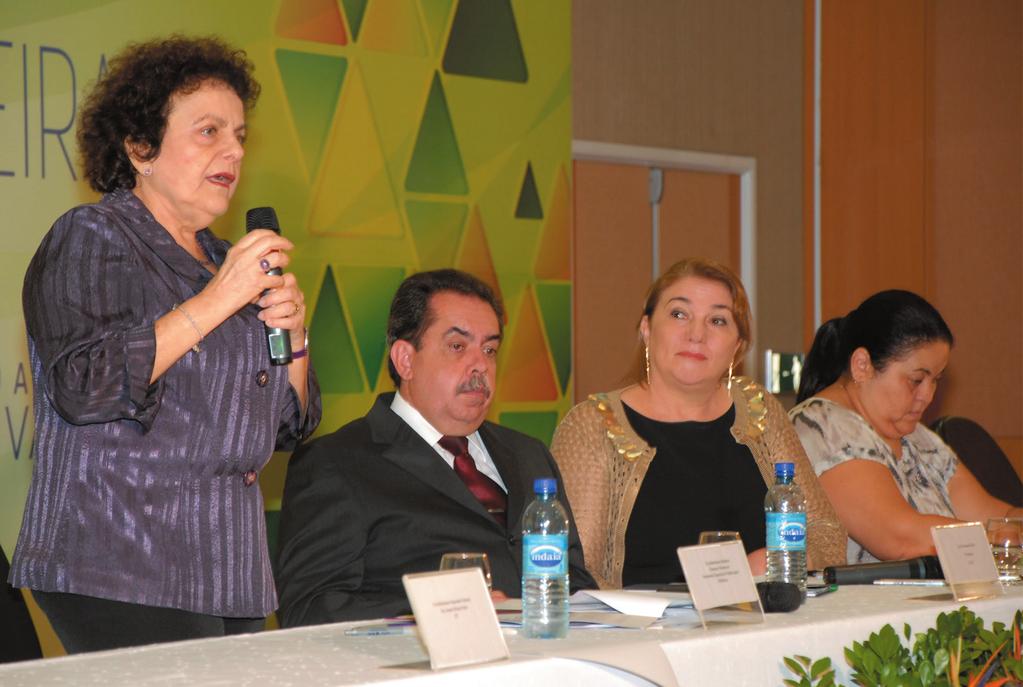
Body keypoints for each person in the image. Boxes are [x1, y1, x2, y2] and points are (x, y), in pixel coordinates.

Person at [9, 36, 321, 652]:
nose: (232, 149)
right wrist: (217, 301)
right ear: (140, 148)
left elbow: (290, 426)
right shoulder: (94, 235)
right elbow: (85, 385)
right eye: (209, 131)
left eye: (239, 136)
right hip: (118, 557)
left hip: (230, 569)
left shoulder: (225, 263)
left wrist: (295, 338)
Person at [275, 269, 595, 626]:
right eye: (458, 346)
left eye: (489, 349)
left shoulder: (529, 455)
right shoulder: (336, 463)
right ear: (405, 360)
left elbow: (575, 583)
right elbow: (309, 610)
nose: (481, 366)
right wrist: (446, 610)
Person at [551, 258, 846, 589]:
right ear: (646, 328)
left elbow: (827, 534)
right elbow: (575, 571)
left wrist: (777, 559)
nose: (696, 334)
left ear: (737, 347)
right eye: (679, 314)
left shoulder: (759, 412)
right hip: (645, 633)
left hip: (761, 625)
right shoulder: (594, 425)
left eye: (718, 321)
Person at [790, 289, 1022, 564]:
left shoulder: (917, 437)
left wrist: (1012, 527)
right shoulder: (822, 427)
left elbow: (995, 516)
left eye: (936, 380)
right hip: (870, 607)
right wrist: (997, 537)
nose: (928, 395)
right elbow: (900, 538)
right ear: (862, 365)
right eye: (916, 380)